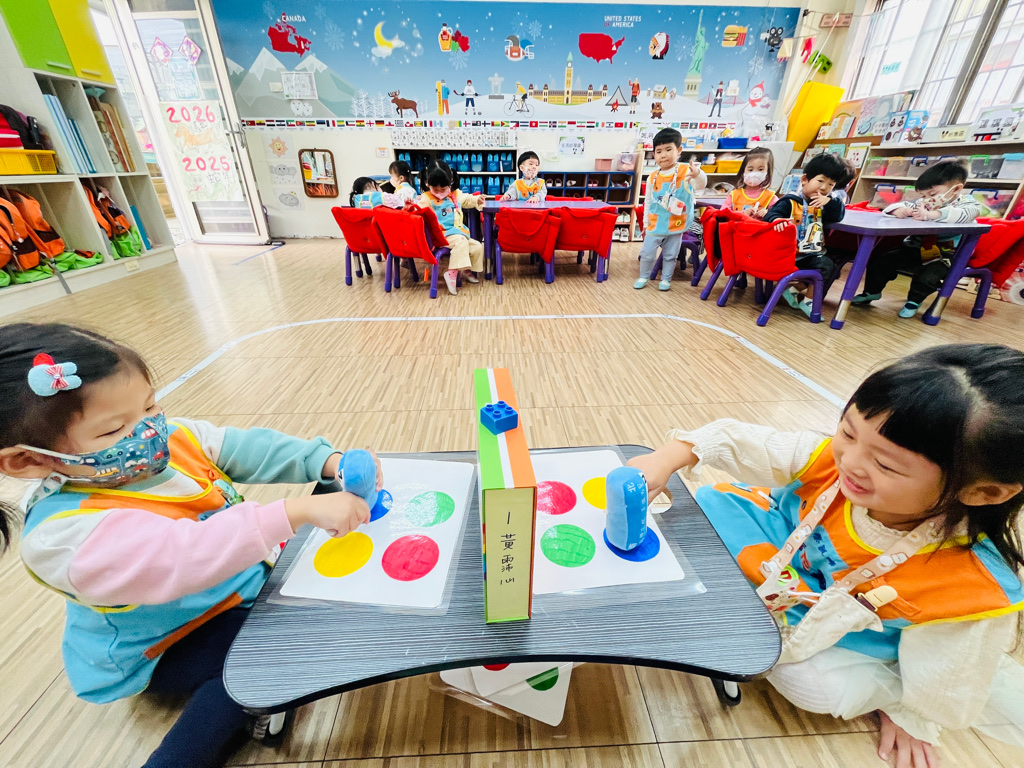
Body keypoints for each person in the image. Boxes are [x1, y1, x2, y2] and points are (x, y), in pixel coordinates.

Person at [0, 323, 383, 768]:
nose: (149, 431)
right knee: (262, 653)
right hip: (166, 643)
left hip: (231, 592)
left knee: (306, 619)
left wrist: (325, 461)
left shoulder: (169, 440)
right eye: (113, 430)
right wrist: (292, 513)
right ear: (27, 460)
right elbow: (183, 555)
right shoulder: (61, 538)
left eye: (150, 406)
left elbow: (245, 448)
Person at [629, 343, 1024, 768]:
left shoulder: (970, 584)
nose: (849, 462)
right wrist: (668, 458)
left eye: (886, 465)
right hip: (780, 549)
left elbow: (950, 671)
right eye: (848, 433)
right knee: (702, 507)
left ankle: (880, 688)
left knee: (810, 689)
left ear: (984, 492)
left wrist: (914, 718)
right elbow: (740, 439)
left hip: (844, 624)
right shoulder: (828, 460)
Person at [853, 160, 981, 319]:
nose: (926, 199)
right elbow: (890, 208)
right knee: (882, 260)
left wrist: (933, 215)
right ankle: (872, 291)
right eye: (923, 195)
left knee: (928, 275)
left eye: (932, 194)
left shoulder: (967, 204)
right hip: (914, 248)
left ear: (956, 189)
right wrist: (900, 210)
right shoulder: (923, 203)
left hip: (943, 253)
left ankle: (914, 301)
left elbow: (967, 214)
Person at [764, 153, 847, 317]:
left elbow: (838, 215)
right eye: (820, 181)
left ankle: (795, 291)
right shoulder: (790, 201)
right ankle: (808, 301)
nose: (824, 188)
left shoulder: (824, 204)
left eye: (831, 184)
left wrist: (830, 202)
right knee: (826, 266)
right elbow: (770, 216)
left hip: (809, 254)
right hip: (787, 255)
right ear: (804, 180)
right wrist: (777, 220)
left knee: (830, 267)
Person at [635, 128, 701, 291]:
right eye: (659, 151)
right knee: (647, 253)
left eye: (668, 149)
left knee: (671, 254)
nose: (663, 155)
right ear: (654, 154)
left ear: (679, 150)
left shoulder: (686, 171)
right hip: (656, 223)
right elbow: (648, 201)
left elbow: (700, 185)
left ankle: (666, 279)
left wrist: (698, 175)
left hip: (675, 223)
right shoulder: (652, 177)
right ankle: (643, 276)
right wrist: (645, 223)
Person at [418, 160, 485, 295]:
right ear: (427, 183)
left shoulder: (455, 194)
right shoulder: (426, 198)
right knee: (461, 242)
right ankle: (452, 273)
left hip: (457, 233)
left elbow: (467, 199)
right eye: (435, 189)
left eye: (443, 189)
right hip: (440, 235)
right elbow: (419, 211)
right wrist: (410, 207)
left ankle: (466, 270)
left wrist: (476, 199)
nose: (439, 192)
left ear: (451, 181)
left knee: (477, 247)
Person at [723, 147, 777, 217]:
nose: (754, 174)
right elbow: (722, 214)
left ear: (768, 173)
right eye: (750, 170)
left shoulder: (770, 197)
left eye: (760, 169)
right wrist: (742, 213)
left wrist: (768, 213)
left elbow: (779, 215)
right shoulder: (734, 195)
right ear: (743, 172)